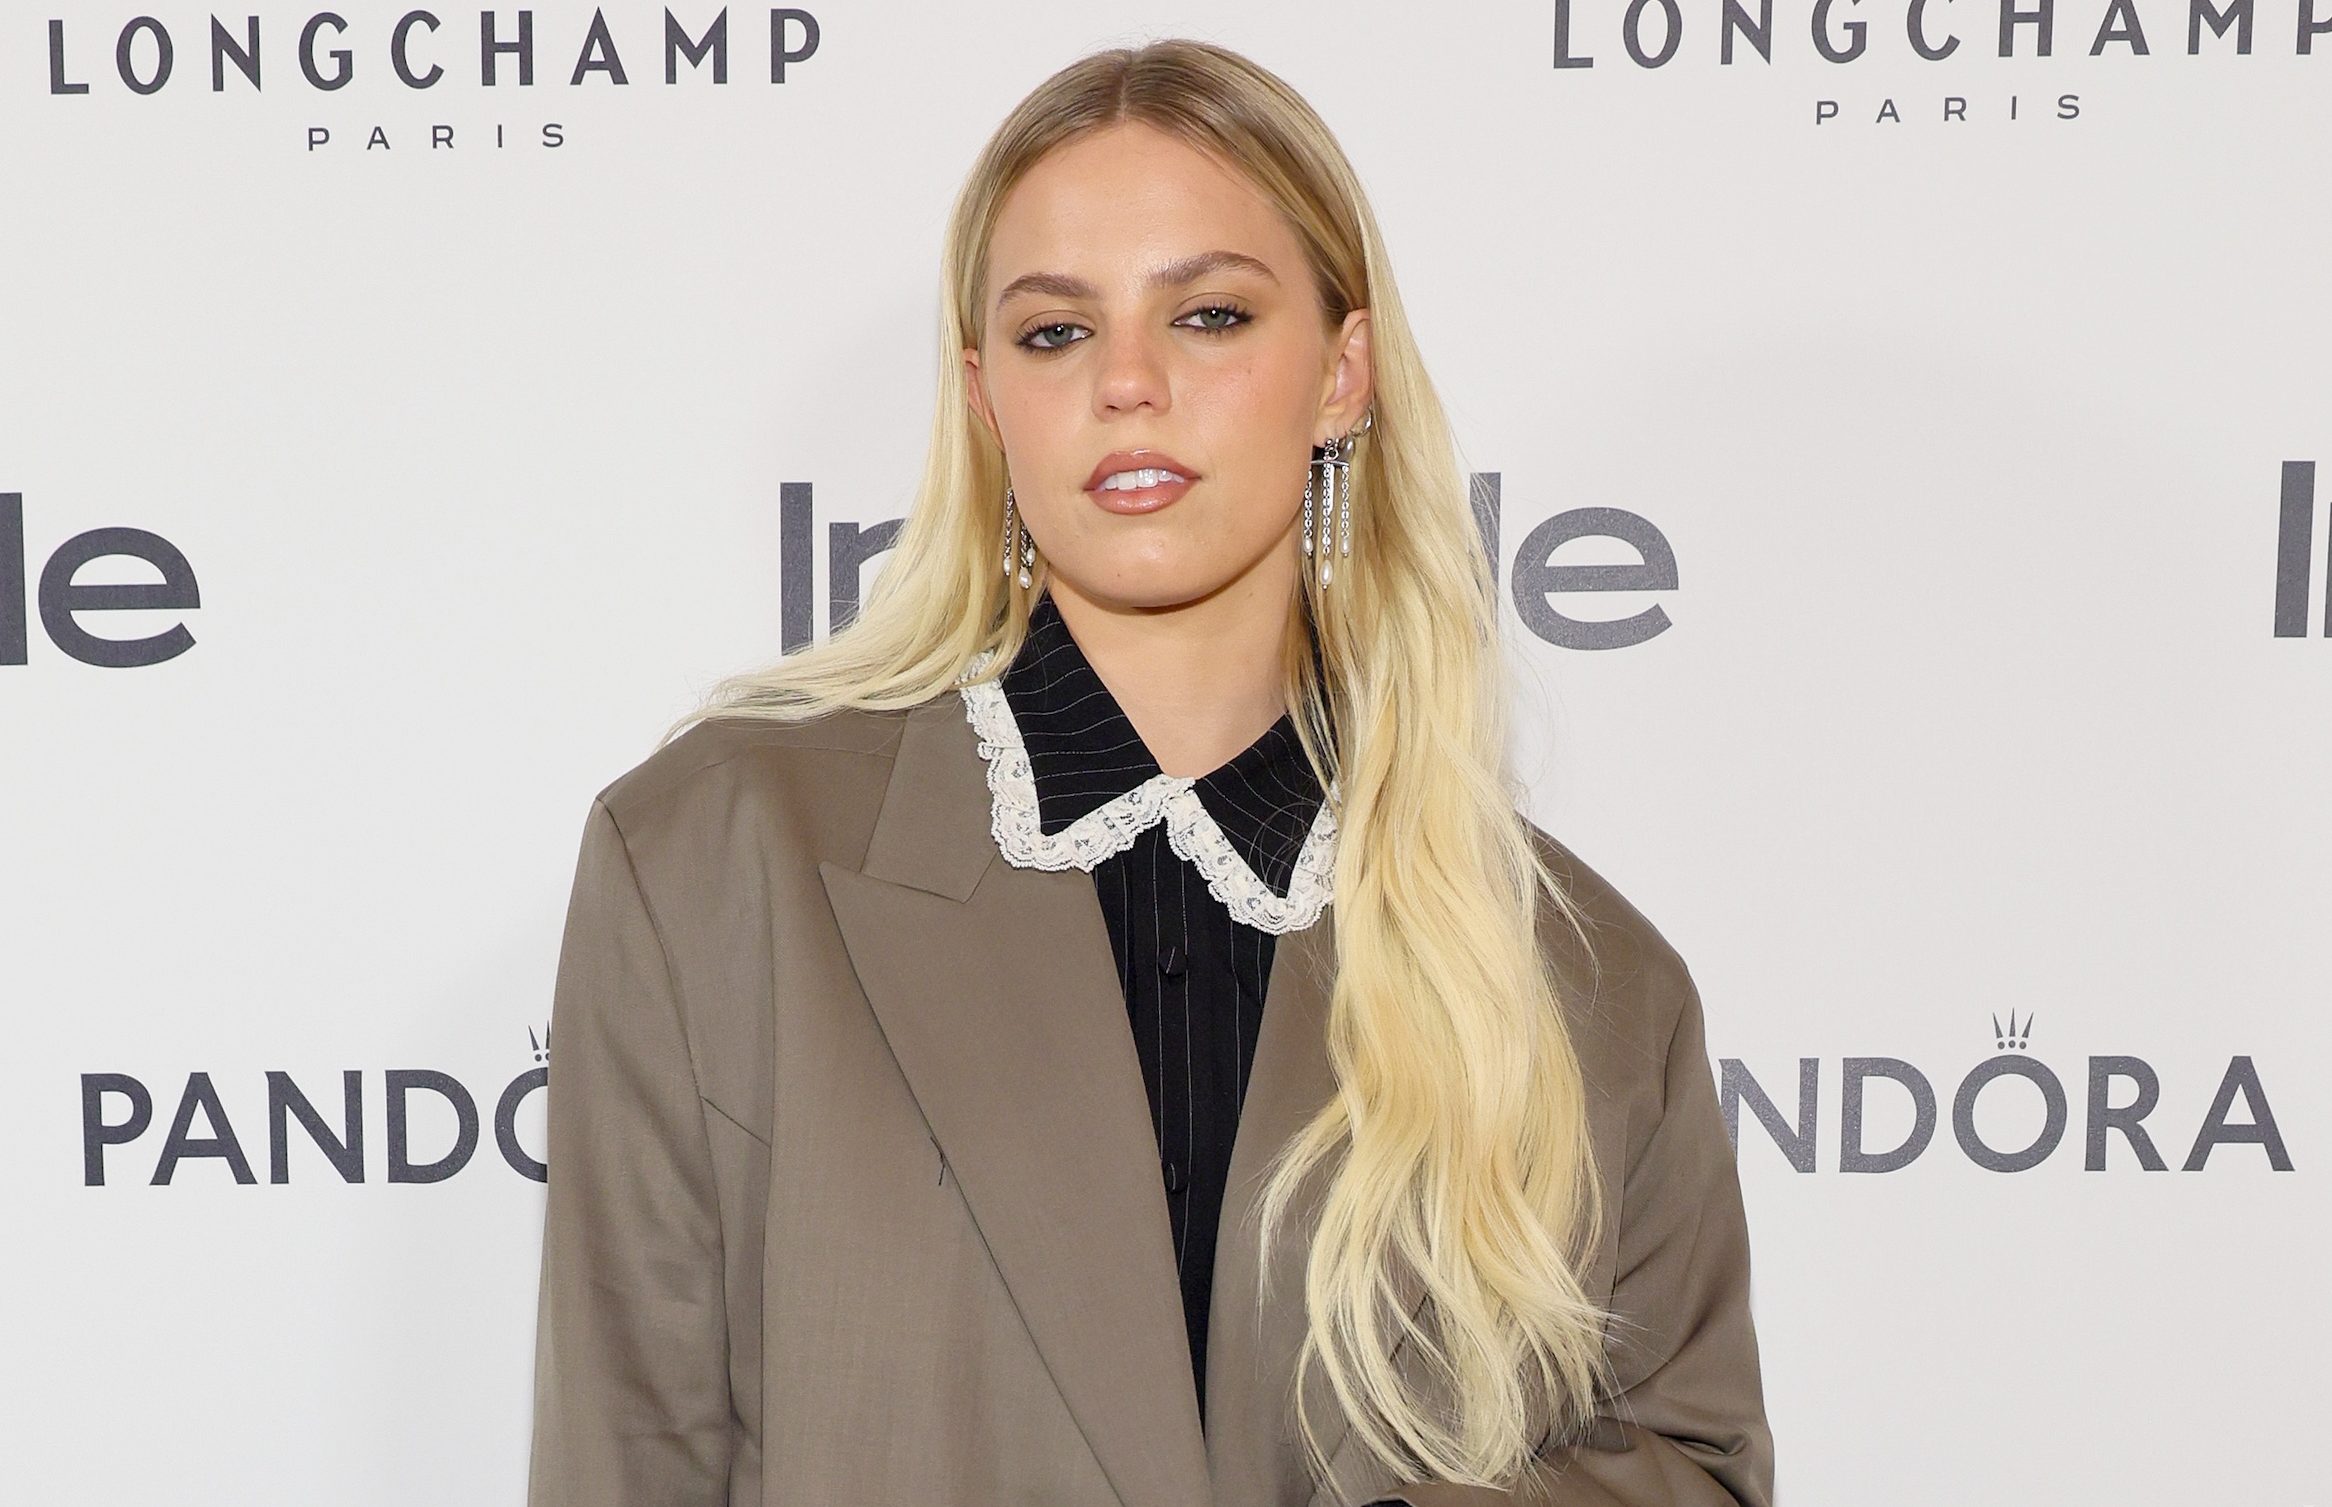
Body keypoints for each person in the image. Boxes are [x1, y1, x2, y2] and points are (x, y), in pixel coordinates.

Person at [525, 36, 1773, 1507]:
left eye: (1210, 315)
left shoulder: (1580, 983)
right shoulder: (719, 863)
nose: (1128, 384)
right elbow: (632, 1460)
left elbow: (1687, 1467)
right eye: (1057, 333)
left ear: (1341, 374)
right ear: (987, 400)